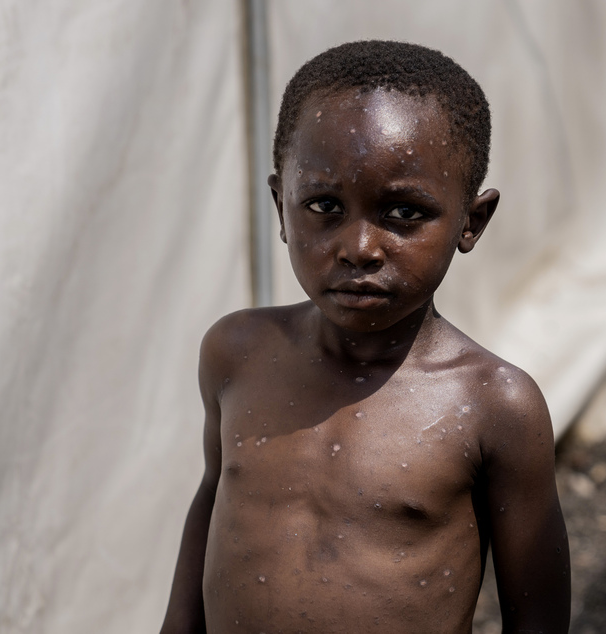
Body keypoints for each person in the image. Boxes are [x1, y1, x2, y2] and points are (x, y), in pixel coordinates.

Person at [160, 40, 570, 634]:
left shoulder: (492, 406)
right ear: (281, 206)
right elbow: (213, 496)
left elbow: (537, 619)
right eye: (324, 205)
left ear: (470, 222)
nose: (359, 249)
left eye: (404, 214)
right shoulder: (237, 353)